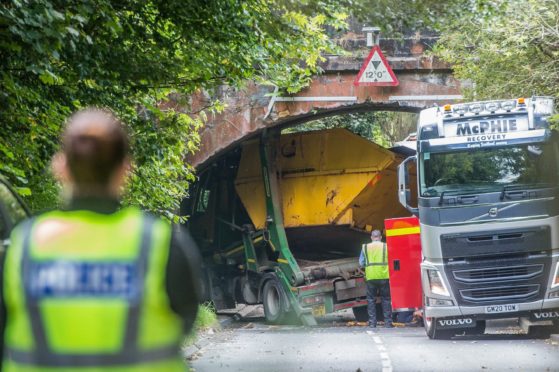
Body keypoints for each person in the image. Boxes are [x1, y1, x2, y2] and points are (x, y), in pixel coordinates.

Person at [1, 108, 201, 371]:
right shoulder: (159, 243)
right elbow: (185, 320)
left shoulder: (24, 245)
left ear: (61, 167)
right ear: (124, 169)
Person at [359, 229, 393, 329]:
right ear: (381, 237)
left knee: (371, 300)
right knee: (386, 299)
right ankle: (387, 323)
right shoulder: (386, 246)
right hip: (383, 276)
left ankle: (372, 323)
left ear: (371, 237)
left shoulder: (365, 247)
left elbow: (361, 263)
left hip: (371, 277)